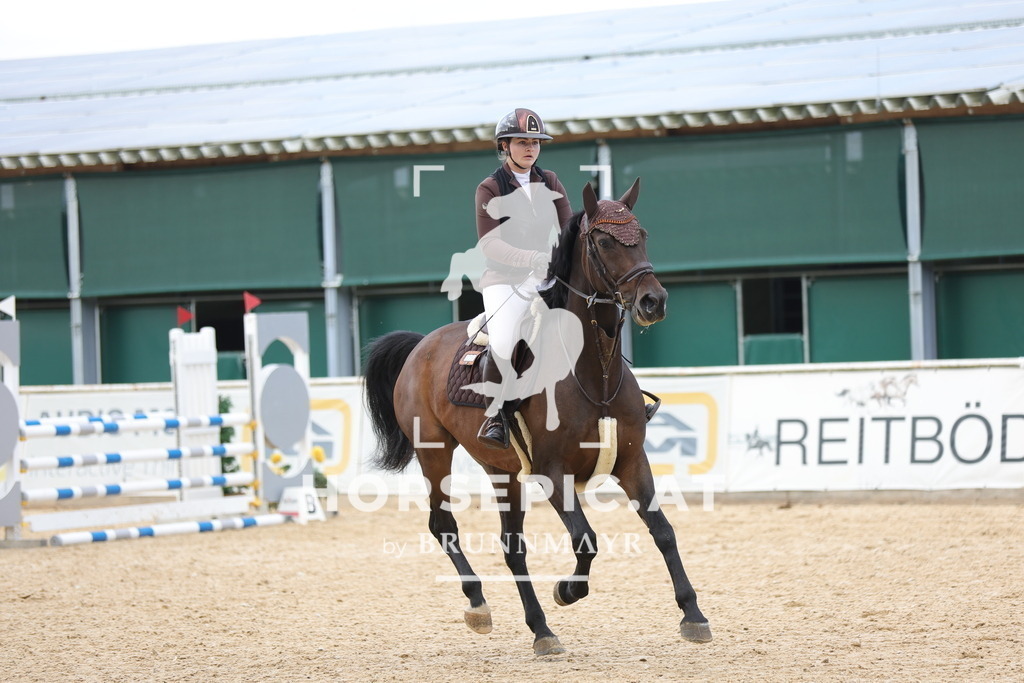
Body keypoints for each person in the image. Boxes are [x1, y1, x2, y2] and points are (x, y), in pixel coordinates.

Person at [473, 108, 573, 449]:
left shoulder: (551, 181)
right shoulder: (490, 188)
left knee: (590, 318)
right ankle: (495, 416)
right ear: (505, 146)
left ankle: (620, 399)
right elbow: (490, 243)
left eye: (535, 143)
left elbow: (569, 228)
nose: (530, 148)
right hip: (505, 280)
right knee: (503, 340)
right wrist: (529, 258)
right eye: (522, 142)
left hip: (546, 276)